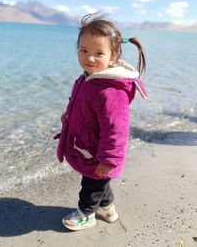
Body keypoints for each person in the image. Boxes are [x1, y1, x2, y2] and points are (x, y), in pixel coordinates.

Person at [54, 13, 147, 231]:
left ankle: (87, 214)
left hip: (98, 152)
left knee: (91, 183)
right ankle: (106, 208)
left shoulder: (110, 92)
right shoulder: (88, 77)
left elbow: (117, 130)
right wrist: (68, 117)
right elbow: (82, 105)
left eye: (98, 53)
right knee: (98, 181)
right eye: (83, 50)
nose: (89, 58)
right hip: (87, 145)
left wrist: (109, 159)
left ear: (113, 57)